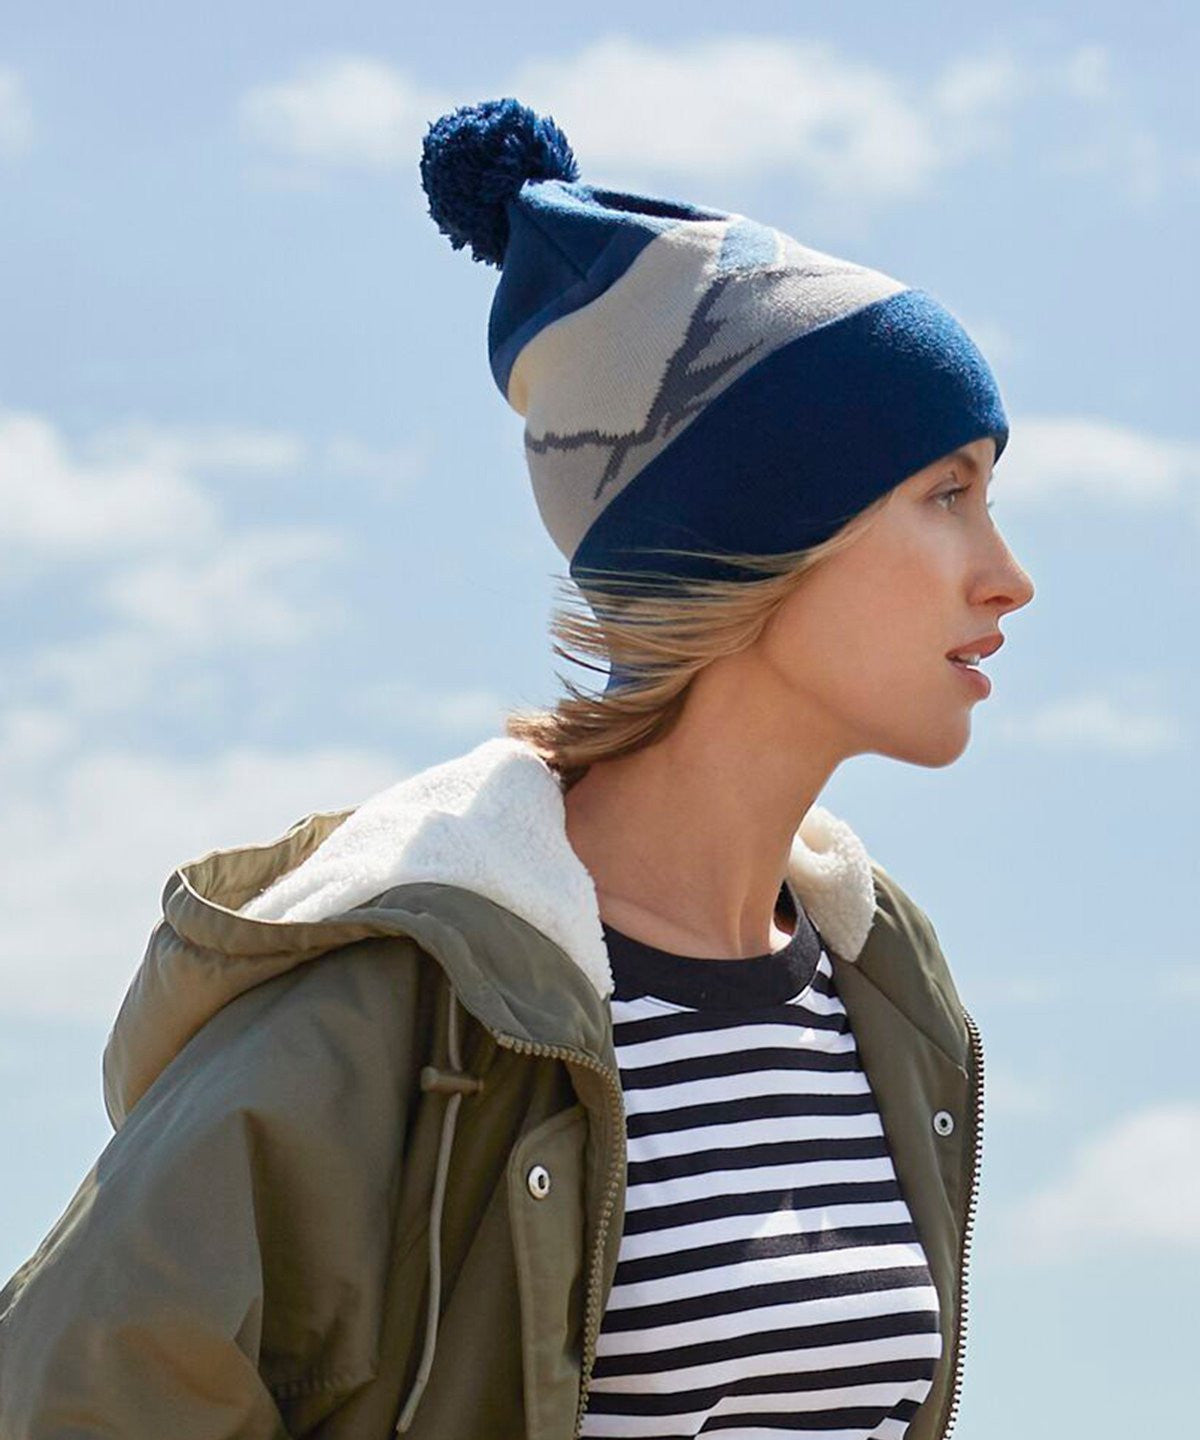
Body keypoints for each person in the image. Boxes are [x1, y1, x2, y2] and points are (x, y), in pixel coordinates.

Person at [0, 97, 1034, 1440]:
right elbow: (73, 1392)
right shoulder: (417, 1001)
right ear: (757, 531)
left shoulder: (881, 985)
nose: (1007, 576)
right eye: (947, 494)